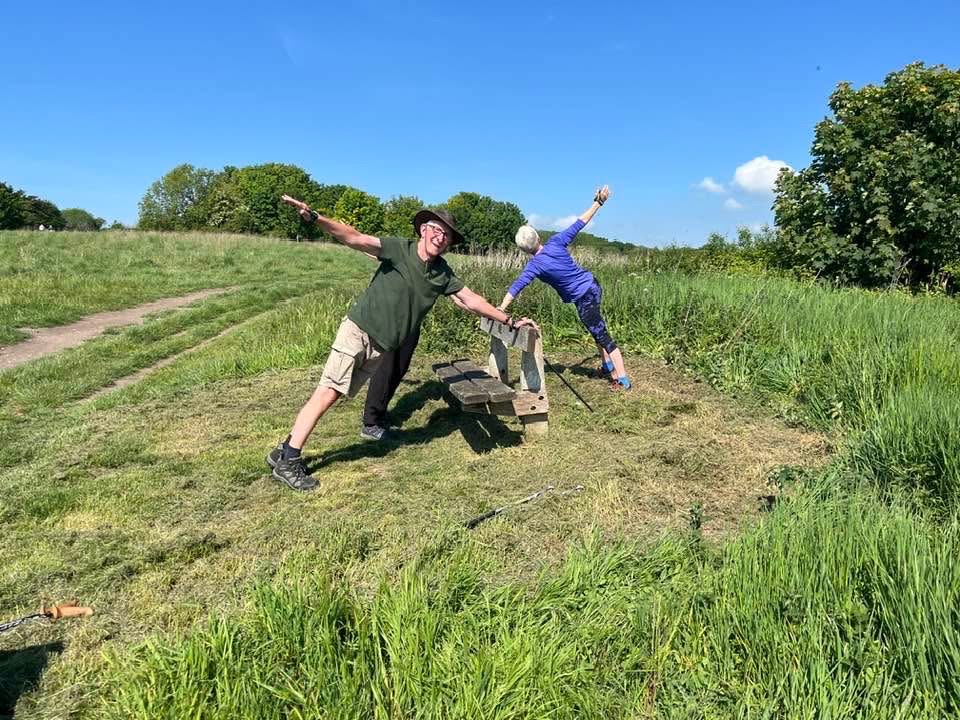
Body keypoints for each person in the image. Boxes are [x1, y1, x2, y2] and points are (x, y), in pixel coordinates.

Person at [266, 194, 537, 491]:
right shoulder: (398, 249)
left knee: (333, 394)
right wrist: (317, 219)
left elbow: (471, 300)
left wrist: (508, 320)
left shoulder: (442, 273)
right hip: (359, 331)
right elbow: (354, 238)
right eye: (436, 229)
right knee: (327, 392)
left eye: (446, 235)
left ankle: (284, 449)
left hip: (380, 345)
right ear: (423, 230)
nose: (440, 237)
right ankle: (289, 460)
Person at [498, 185, 631, 390]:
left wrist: (501, 308)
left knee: (601, 334)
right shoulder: (556, 242)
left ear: (524, 251)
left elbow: (517, 287)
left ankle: (622, 379)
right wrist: (599, 202)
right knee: (595, 328)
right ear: (538, 238)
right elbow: (581, 222)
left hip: (584, 296)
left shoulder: (534, 265)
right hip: (593, 286)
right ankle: (607, 365)